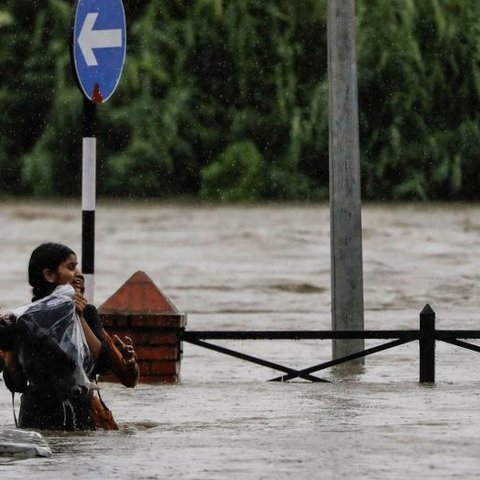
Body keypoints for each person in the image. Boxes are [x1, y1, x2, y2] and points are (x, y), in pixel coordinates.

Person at [1, 242, 139, 431]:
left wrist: (79, 317)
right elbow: (16, 383)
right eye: (71, 267)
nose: (77, 274)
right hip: (37, 418)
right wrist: (11, 341)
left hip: (80, 415)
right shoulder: (23, 319)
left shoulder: (87, 313)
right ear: (49, 275)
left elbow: (102, 362)